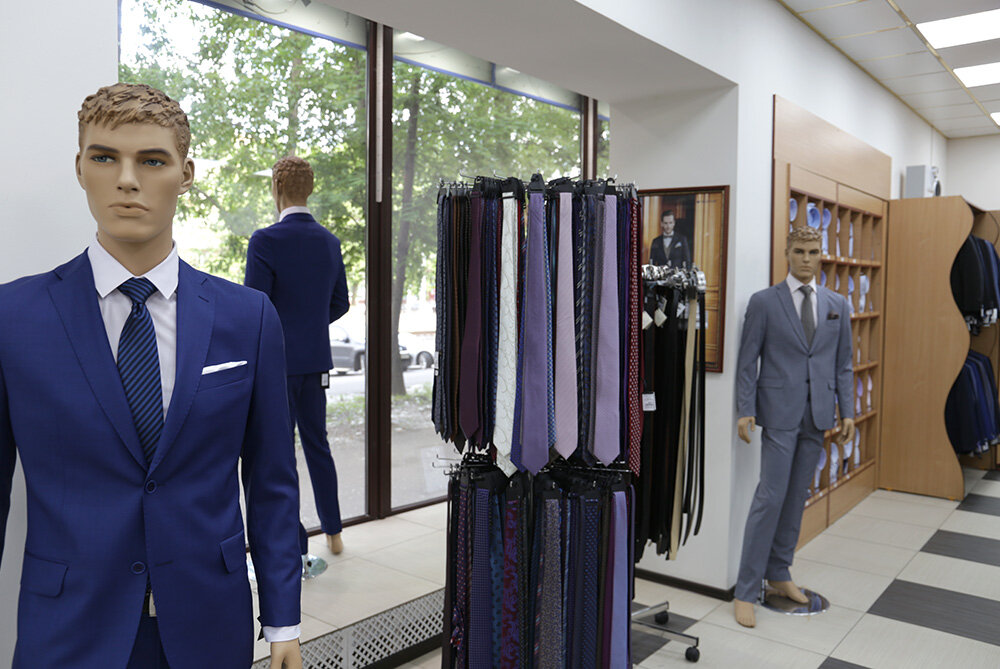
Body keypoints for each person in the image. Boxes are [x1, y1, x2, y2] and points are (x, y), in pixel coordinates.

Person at [0, 83, 302, 668]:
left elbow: (271, 481)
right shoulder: (14, 317)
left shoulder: (248, 318)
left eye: (152, 160)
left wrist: (283, 619)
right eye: (104, 157)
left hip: (208, 623)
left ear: (185, 174)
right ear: (80, 168)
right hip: (67, 628)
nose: (127, 180)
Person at [732, 225, 855, 628]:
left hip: (817, 413)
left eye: (813, 252)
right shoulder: (765, 302)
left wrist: (848, 411)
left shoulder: (837, 304)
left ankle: (779, 571)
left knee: (797, 495)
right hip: (778, 412)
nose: (806, 259)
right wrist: (745, 409)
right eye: (799, 251)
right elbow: (748, 360)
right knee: (770, 497)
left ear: (822, 255)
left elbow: (843, 364)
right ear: (787, 253)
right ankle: (745, 590)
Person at [245, 156, 349, 567]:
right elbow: (340, 303)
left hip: (278, 365)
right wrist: (309, 325)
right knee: (318, 445)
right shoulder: (330, 242)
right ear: (310, 189)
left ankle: (297, 545)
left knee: (281, 453)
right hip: (317, 361)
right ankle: (334, 532)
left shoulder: (265, 240)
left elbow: (256, 306)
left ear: (276, 188)